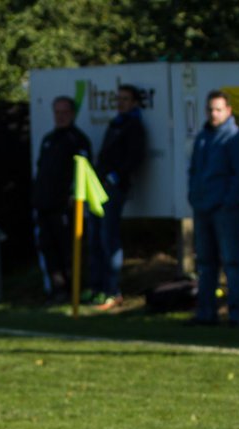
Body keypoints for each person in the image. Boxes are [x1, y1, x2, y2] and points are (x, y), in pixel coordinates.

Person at [186, 90, 239, 327]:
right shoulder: (203, 138)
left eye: (218, 109)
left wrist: (226, 201)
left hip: (226, 211)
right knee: (205, 262)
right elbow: (194, 171)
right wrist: (195, 197)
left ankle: (238, 315)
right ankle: (206, 313)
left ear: (228, 111)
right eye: (210, 109)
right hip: (203, 208)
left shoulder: (236, 139)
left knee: (232, 261)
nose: (214, 114)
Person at [31, 96, 91, 304]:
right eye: (57, 112)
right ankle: (57, 291)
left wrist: (72, 201)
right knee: (49, 251)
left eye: (65, 112)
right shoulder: (49, 139)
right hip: (44, 206)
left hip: (65, 208)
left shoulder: (78, 140)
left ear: (72, 114)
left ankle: (74, 291)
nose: (61, 116)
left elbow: (82, 176)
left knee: (68, 251)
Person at [92, 85, 147, 310]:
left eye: (125, 99)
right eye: (118, 99)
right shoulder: (117, 123)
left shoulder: (134, 125)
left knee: (109, 237)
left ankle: (113, 291)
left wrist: (116, 177)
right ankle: (101, 289)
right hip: (101, 188)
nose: (120, 103)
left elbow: (134, 157)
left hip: (115, 189)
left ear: (134, 102)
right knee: (99, 238)